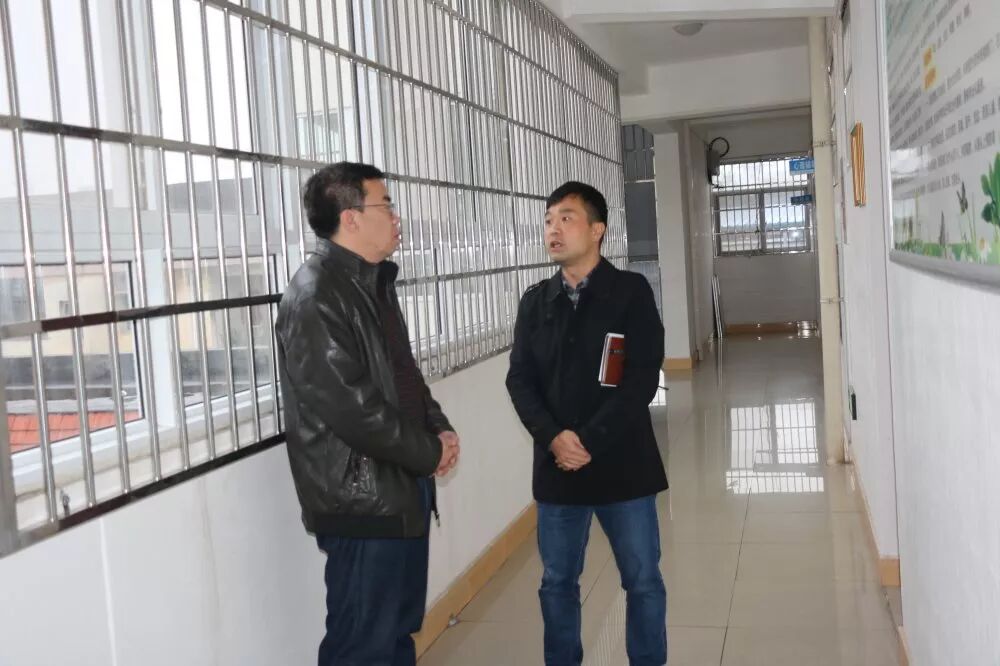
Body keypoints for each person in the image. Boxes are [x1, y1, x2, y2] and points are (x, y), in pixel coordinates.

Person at [275, 162, 460, 666]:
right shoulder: (316, 296)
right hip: (363, 501)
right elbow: (353, 408)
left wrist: (439, 428)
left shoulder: (369, 283)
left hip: (397, 485)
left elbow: (403, 374)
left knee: (396, 633)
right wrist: (429, 452)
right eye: (386, 205)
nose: (397, 217)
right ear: (351, 218)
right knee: (363, 646)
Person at [506, 182, 668, 665]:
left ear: (597, 230)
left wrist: (588, 440)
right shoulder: (536, 302)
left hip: (624, 466)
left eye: (566, 218)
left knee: (642, 580)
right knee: (557, 583)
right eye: (548, 220)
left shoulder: (630, 292)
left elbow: (642, 378)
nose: (553, 229)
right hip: (558, 471)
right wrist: (555, 439)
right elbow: (520, 381)